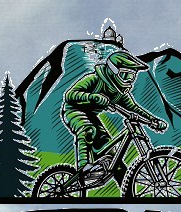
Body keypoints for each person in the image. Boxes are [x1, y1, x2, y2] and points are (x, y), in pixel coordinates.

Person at [58, 24, 161, 191]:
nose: (129, 80)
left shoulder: (120, 92)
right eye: (125, 75)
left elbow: (133, 108)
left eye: (132, 77)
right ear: (113, 71)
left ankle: (127, 191)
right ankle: (83, 167)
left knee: (113, 156)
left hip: (91, 115)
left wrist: (153, 120)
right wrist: (94, 97)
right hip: (74, 110)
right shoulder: (95, 79)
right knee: (87, 129)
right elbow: (70, 95)